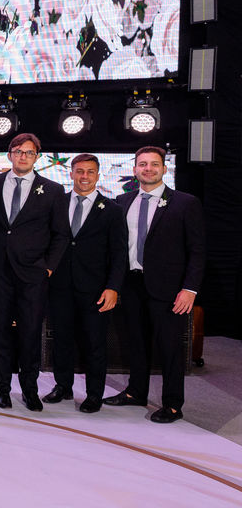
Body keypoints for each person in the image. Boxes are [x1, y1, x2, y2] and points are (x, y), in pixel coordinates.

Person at [105, 147, 206, 424]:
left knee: (169, 347)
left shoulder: (185, 203)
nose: (148, 169)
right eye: (142, 164)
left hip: (170, 289)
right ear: (134, 170)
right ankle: (135, 392)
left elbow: (197, 250)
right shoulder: (122, 201)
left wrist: (190, 289)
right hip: (131, 284)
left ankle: (172, 404)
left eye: (154, 164)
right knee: (135, 342)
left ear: (164, 168)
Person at [0, 132, 69, 411]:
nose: (23, 156)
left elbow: (61, 234)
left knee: (30, 334)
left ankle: (30, 390)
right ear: (10, 155)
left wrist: (48, 268)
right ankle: (2, 389)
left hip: (33, 275)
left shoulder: (53, 190)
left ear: (37, 157)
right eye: (18, 151)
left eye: (29, 152)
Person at [44, 154, 127, 413]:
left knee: (94, 343)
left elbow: (119, 253)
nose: (84, 176)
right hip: (59, 286)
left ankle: (94, 394)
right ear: (70, 174)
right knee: (62, 340)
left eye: (90, 172)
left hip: (96, 289)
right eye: (79, 171)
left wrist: (113, 287)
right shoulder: (56, 203)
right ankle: (63, 386)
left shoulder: (112, 210)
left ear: (98, 175)